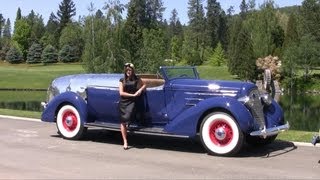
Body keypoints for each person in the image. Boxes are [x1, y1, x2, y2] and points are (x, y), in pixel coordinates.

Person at [118, 63, 146, 150]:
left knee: (129, 116)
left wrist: (140, 90)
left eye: (129, 70)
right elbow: (121, 93)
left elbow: (144, 85)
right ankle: (125, 141)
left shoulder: (137, 79)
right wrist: (132, 95)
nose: (128, 72)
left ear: (133, 71)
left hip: (133, 102)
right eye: (127, 70)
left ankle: (130, 125)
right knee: (123, 122)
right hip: (124, 102)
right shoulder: (122, 80)